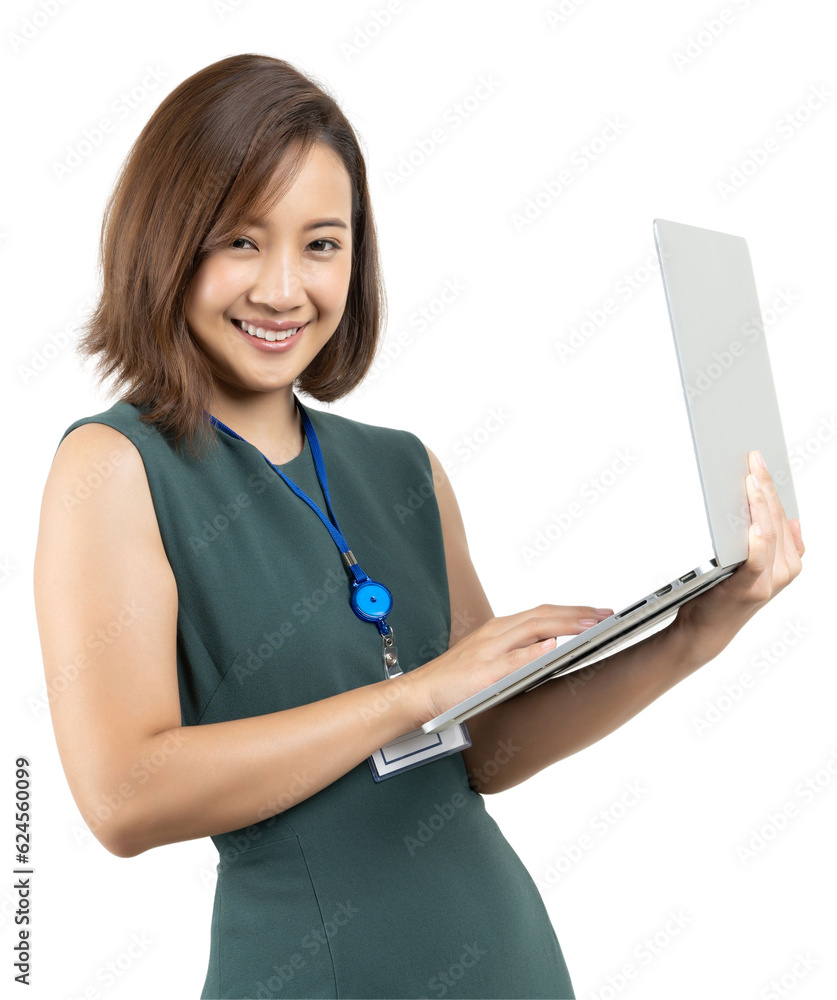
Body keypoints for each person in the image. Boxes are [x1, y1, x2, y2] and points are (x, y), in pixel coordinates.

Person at [32, 53, 805, 1000]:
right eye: (240, 240)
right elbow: (122, 795)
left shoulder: (402, 468)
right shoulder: (114, 467)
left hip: (506, 958)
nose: (284, 289)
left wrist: (696, 633)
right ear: (166, 242)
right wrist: (415, 695)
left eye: (322, 244)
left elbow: (486, 750)